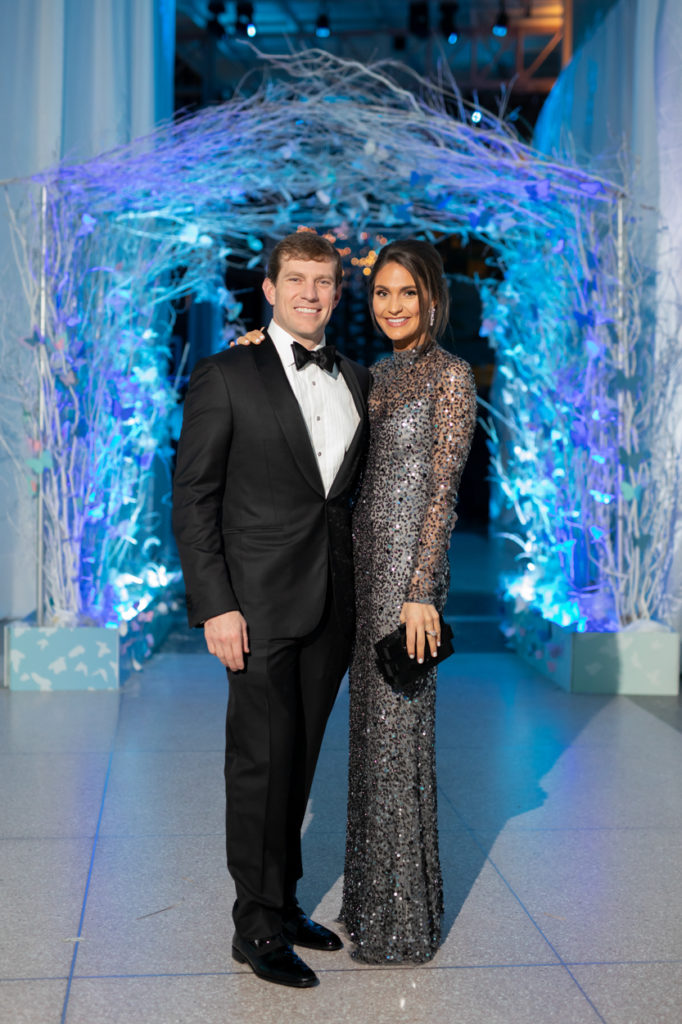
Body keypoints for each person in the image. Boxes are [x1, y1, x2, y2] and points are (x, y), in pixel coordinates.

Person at [237, 238, 477, 964]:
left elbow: (443, 494)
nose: (394, 306)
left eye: (408, 293)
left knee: (401, 749)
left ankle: (405, 924)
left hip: (405, 593)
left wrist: (420, 592)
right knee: (370, 752)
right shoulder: (374, 376)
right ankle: (372, 909)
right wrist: (258, 344)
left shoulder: (450, 377)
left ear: (434, 297)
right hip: (354, 581)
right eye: (381, 293)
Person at [172, 232, 370, 989]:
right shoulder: (227, 374)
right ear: (269, 287)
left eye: (324, 282)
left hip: (331, 606)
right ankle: (253, 927)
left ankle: (281, 903)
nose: (311, 294)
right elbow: (193, 501)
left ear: (335, 291)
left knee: (300, 762)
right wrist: (216, 605)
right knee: (260, 765)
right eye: (297, 280)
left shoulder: (354, 377)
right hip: (251, 609)